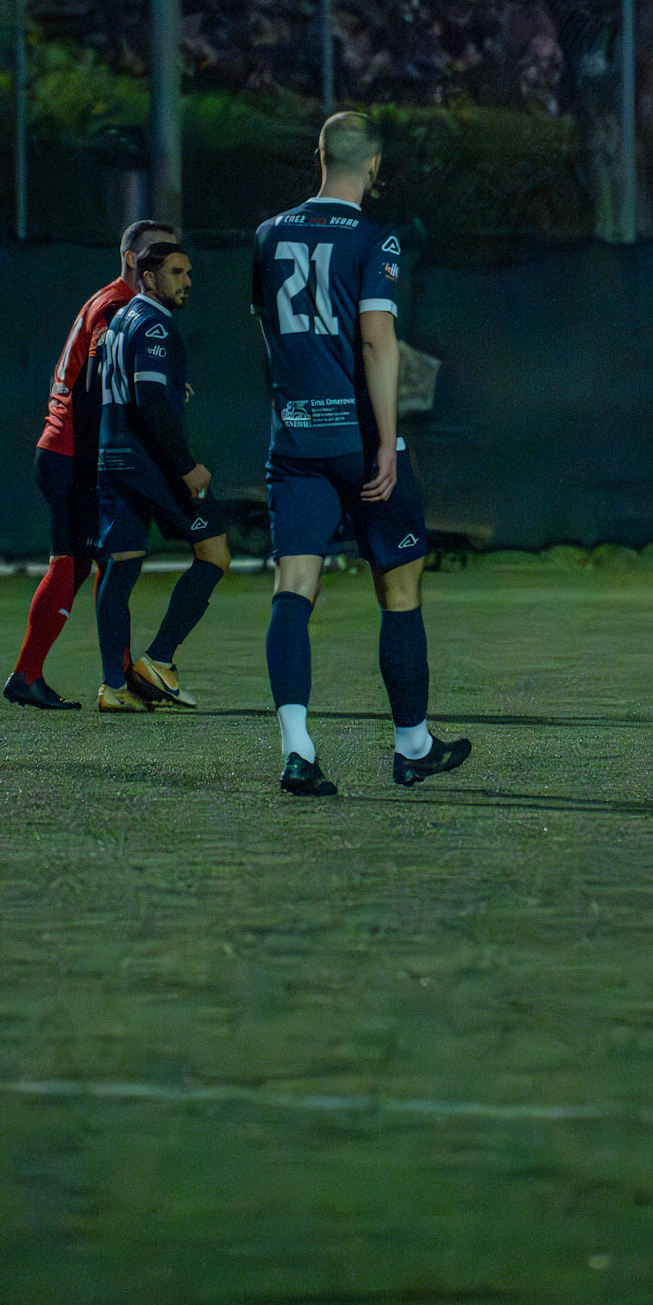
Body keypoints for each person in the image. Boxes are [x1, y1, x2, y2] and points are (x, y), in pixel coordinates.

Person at [251, 110, 471, 795]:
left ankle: (298, 747)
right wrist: (383, 443)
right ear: (373, 166)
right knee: (399, 587)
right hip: (358, 439)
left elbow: (270, 334)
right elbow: (378, 342)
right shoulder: (376, 238)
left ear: (318, 154)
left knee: (293, 588)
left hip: (294, 438)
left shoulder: (267, 235)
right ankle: (410, 745)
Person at [3, 216, 175, 711]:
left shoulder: (114, 300)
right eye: (157, 254)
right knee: (76, 563)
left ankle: (116, 677)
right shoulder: (120, 305)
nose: (170, 263)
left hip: (68, 452)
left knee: (101, 562)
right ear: (132, 261)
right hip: (71, 455)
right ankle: (28, 676)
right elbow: (96, 381)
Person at [92, 240, 231, 711]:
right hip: (148, 462)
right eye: (175, 272)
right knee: (214, 554)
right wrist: (186, 465)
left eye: (189, 272)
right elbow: (150, 403)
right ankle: (160, 659)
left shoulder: (118, 323)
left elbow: (109, 388)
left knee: (123, 564)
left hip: (111, 457)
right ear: (148, 277)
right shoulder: (153, 323)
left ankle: (114, 685)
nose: (187, 280)